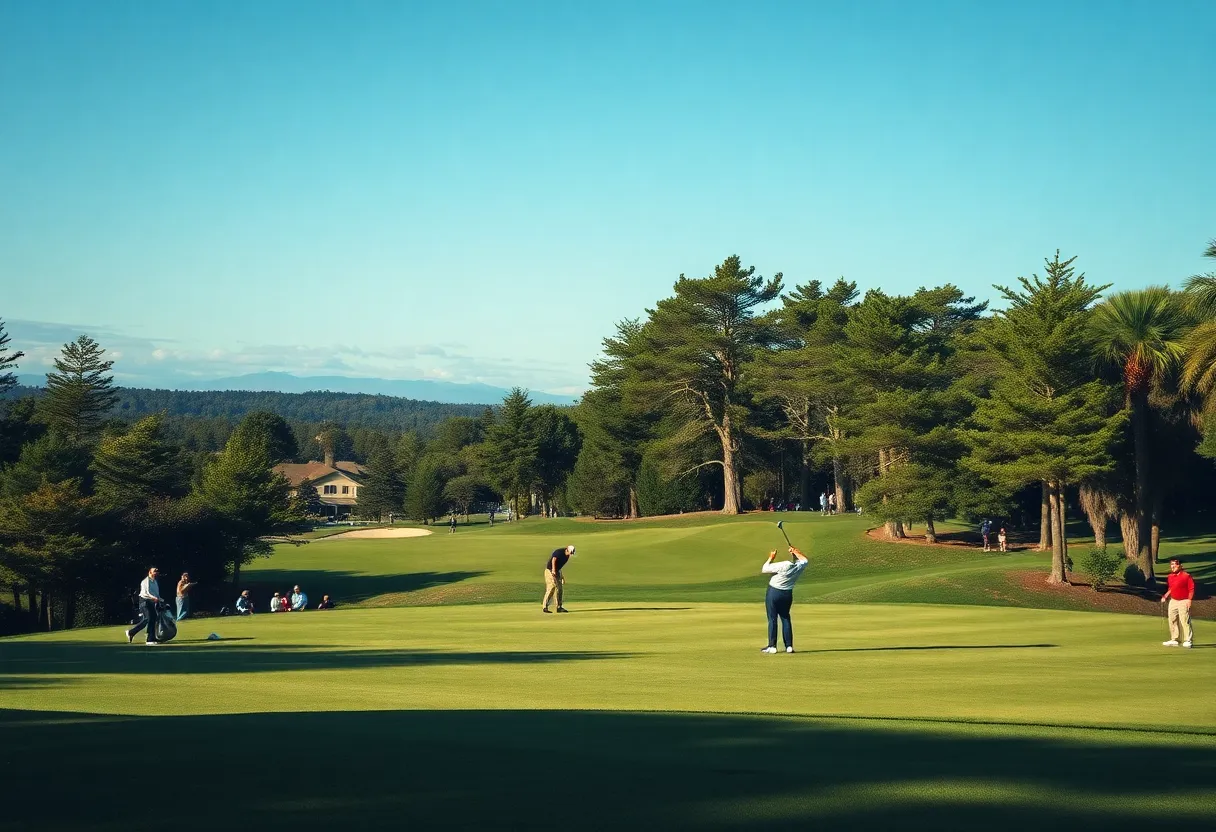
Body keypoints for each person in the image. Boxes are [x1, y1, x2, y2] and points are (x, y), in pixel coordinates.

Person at [760, 547, 809, 653]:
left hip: (774, 593)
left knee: (772, 619)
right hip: (787, 594)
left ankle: (772, 646)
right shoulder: (799, 566)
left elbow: (764, 569)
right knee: (785, 618)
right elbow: (805, 560)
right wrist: (796, 552)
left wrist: (771, 558)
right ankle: (789, 646)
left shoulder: (784, 564)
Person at [125, 567, 165, 645]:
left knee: (152, 618)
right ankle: (149, 639)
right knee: (149, 618)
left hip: (151, 601)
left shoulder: (155, 582)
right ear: (149, 573)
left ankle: (132, 633)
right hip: (144, 601)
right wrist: (154, 598)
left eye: (157, 571)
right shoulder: (145, 581)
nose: (156, 572)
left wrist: (161, 600)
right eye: (154, 571)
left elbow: (156, 594)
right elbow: (147, 593)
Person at [1161, 557, 1195, 648]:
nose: (1172, 566)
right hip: (1173, 600)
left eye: (1174, 565)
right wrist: (1165, 596)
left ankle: (1188, 640)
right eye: (1171, 565)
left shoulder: (1186, 576)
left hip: (1184, 600)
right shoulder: (1170, 576)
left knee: (1184, 620)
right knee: (1172, 619)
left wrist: (1189, 600)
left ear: (1180, 566)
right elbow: (1171, 588)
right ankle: (1175, 639)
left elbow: (1191, 589)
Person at [542, 545, 575, 613]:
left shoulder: (567, 557)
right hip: (549, 570)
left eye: (572, 553)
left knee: (559, 589)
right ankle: (545, 607)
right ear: (567, 550)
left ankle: (559, 607)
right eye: (571, 552)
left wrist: (562, 576)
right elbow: (554, 559)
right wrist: (553, 570)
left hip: (557, 571)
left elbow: (559, 566)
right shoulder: (559, 552)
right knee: (551, 588)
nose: (571, 554)